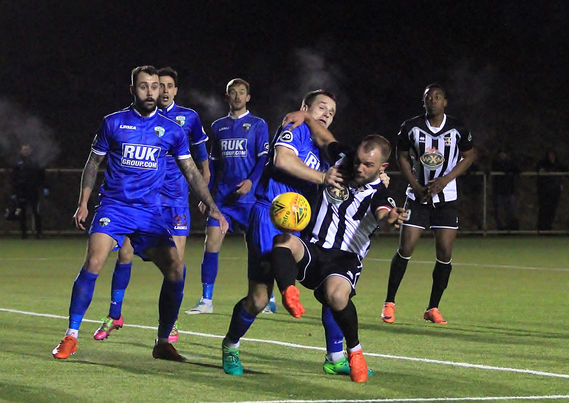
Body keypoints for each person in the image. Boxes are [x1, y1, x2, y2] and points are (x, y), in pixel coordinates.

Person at [51, 65, 228, 361]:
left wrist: (212, 206)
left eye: (155, 86)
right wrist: (83, 202)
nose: (150, 92)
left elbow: (191, 172)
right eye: (143, 86)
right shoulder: (113, 122)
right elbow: (93, 163)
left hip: (150, 213)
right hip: (114, 207)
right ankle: (71, 336)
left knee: (176, 269)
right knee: (94, 261)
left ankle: (163, 342)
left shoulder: (172, 130)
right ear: (132, 89)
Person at [221, 90, 348, 376]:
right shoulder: (296, 127)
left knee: (333, 285)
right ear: (304, 107)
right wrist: (323, 178)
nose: (327, 114)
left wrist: (377, 177)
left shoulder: (325, 150)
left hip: (301, 225)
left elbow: (346, 174)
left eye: (331, 112)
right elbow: (282, 160)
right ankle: (230, 345)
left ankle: (336, 357)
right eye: (321, 107)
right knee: (259, 299)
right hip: (270, 215)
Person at [271, 134, 407, 382]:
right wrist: (305, 116)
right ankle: (288, 292)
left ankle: (355, 352)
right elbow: (324, 138)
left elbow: (384, 213)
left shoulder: (380, 193)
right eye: (359, 161)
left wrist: (392, 217)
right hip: (315, 248)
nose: (360, 167)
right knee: (283, 241)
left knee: (336, 296)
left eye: (368, 164)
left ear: (382, 167)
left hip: (345, 259)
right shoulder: (343, 161)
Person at [91, 66, 211, 342]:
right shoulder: (138, 119)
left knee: (176, 262)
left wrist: (205, 191)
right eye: (160, 85)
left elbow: (201, 158)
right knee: (125, 253)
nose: (164, 90)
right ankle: (114, 314)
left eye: (168, 86)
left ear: (175, 90)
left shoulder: (187, 118)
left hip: (176, 199)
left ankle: (171, 323)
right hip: (146, 199)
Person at [381, 83, 476, 325]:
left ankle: (433, 308)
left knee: (445, 253)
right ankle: (389, 303)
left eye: (437, 97)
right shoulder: (411, 127)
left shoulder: (457, 128)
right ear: (423, 102)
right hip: (417, 198)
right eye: (428, 97)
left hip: (446, 199)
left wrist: (445, 180)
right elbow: (401, 156)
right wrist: (415, 185)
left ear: (445, 102)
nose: (433, 101)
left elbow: (469, 155)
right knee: (406, 248)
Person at [184, 78, 270, 315]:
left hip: (250, 200)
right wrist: (205, 195)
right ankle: (206, 300)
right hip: (223, 201)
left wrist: (251, 182)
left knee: (259, 250)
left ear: (248, 97)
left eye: (242, 92)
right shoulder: (218, 126)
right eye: (233, 92)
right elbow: (211, 165)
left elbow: (263, 159)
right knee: (211, 245)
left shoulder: (258, 124)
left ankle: (267, 297)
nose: (238, 96)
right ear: (227, 96)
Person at [10, 144, 48, 238]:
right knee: (22, 212)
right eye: (24, 149)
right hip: (21, 191)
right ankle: (24, 233)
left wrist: (45, 187)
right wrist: (14, 192)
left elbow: (42, 176)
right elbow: (13, 178)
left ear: (30, 151)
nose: (26, 151)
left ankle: (39, 233)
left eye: (27, 149)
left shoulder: (35, 162)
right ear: (21, 151)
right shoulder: (17, 163)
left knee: (36, 212)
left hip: (33, 191)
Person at [536, 149, 566, 231]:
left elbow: (565, 170)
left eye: (553, 155)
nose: (551, 156)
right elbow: (538, 170)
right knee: (544, 209)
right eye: (550, 155)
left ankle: (548, 227)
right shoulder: (543, 163)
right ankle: (541, 228)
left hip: (555, 191)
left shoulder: (558, 164)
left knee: (552, 210)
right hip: (544, 191)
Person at [491, 149, 519, 230]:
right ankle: (501, 228)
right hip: (499, 191)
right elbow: (498, 168)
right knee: (500, 211)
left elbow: (517, 169)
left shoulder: (510, 162)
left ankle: (511, 227)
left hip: (509, 190)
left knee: (511, 211)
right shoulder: (496, 163)